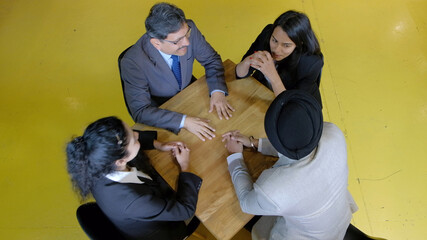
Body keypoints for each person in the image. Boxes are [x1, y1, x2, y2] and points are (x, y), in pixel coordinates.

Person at [222, 90, 357, 239]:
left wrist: (235, 157)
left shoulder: (275, 190)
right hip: (339, 215)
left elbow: (246, 203)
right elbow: (301, 144)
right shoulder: (333, 132)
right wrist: (254, 143)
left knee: (258, 230)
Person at [66, 116, 202, 240]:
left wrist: (158, 145)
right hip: (165, 233)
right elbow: (185, 210)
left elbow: (124, 139)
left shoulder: (96, 163)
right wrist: (185, 166)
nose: (137, 134)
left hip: (141, 212)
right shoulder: (135, 201)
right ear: (120, 161)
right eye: (134, 139)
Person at [120, 2, 234, 141]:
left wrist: (217, 91)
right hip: (163, 108)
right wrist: (184, 121)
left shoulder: (187, 29)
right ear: (156, 43)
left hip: (190, 93)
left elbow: (211, 59)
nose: (186, 42)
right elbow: (140, 111)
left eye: (187, 34)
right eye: (178, 41)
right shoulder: (132, 62)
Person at [235, 10, 323, 106]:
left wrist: (272, 75)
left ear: (299, 44)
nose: (276, 50)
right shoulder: (267, 34)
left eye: (286, 45)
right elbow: (239, 74)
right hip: (262, 93)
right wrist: (248, 61)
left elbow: (292, 106)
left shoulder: (310, 63)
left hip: (291, 105)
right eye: (274, 40)